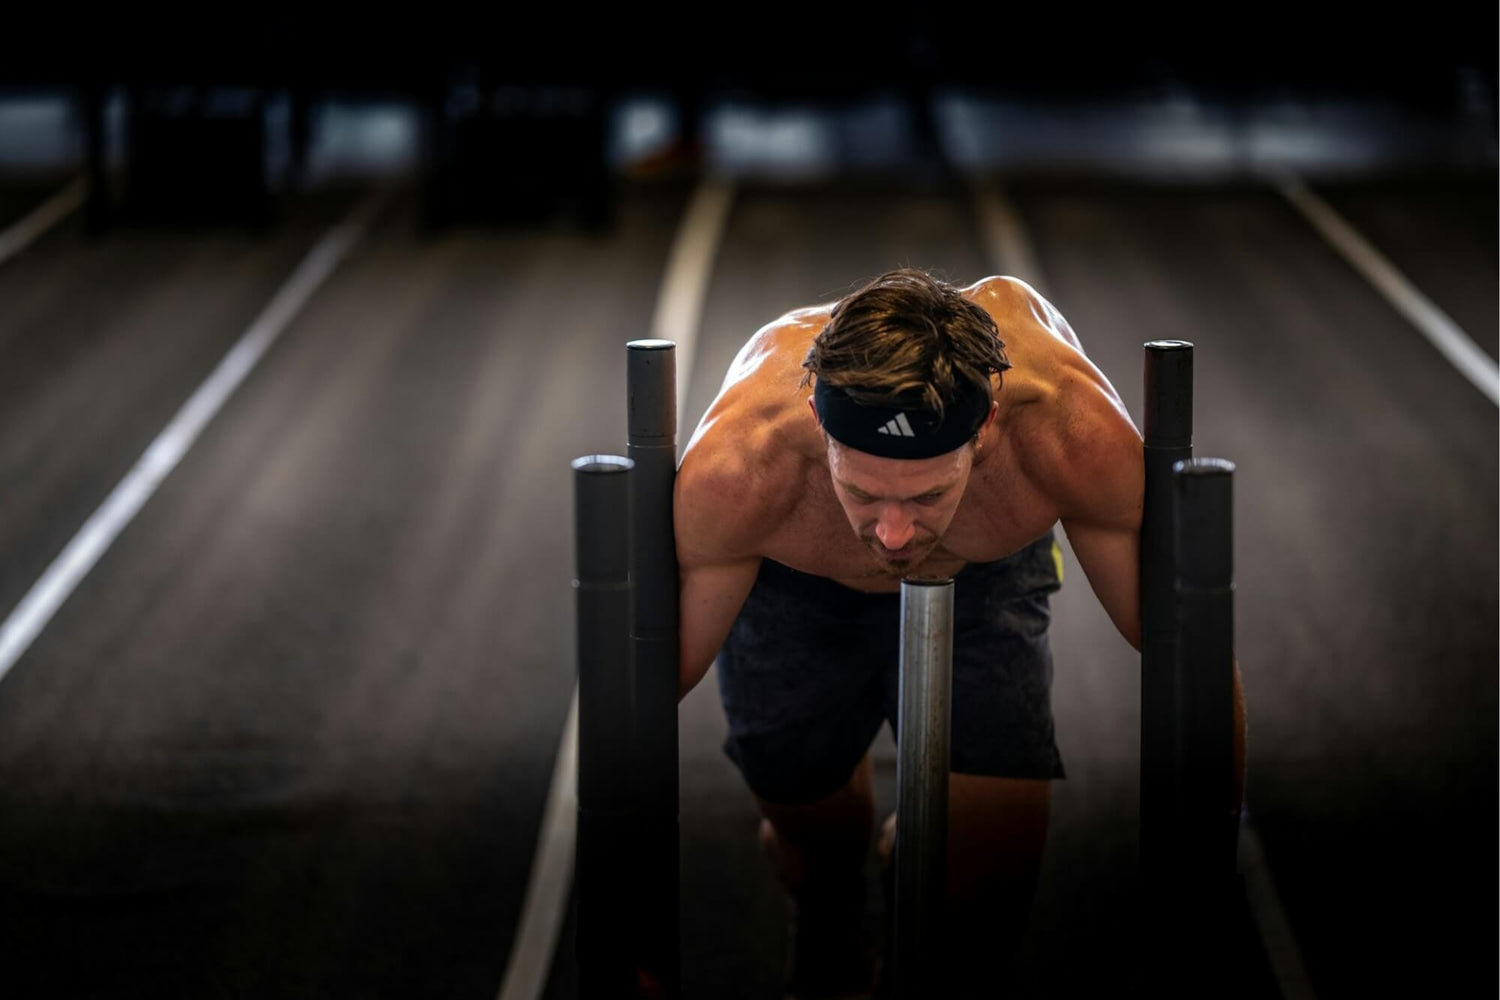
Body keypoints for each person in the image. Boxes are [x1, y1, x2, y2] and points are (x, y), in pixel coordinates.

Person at [673, 268, 1245, 998]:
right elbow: (643, 697)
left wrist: (1207, 877)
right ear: (818, 425)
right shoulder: (740, 467)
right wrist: (630, 944)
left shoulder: (1067, 429)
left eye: (929, 494)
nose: (893, 533)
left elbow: (1186, 657)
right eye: (862, 493)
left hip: (986, 578)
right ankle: (828, 903)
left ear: (989, 427)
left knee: (984, 901)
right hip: (793, 595)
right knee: (820, 848)